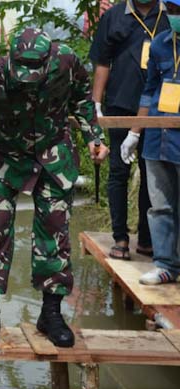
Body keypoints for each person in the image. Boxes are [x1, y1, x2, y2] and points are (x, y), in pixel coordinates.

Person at [0, 28, 109, 348]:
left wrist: (94, 138)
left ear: (48, 59)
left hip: (53, 156)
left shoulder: (67, 61)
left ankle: (51, 314)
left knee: (55, 232)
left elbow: (83, 99)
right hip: (5, 158)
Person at [90, 0, 168, 261]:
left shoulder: (170, 13)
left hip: (159, 110)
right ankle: (120, 237)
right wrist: (96, 105)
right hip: (120, 105)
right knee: (118, 172)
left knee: (153, 173)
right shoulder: (113, 16)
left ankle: (146, 239)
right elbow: (102, 62)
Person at [128, 0, 180, 285]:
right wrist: (135, 132)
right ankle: (165, 265)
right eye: (171, 11)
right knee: (159, 205)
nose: (175, 17)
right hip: (157, 138)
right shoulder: (159, 44)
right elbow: (148, 92)